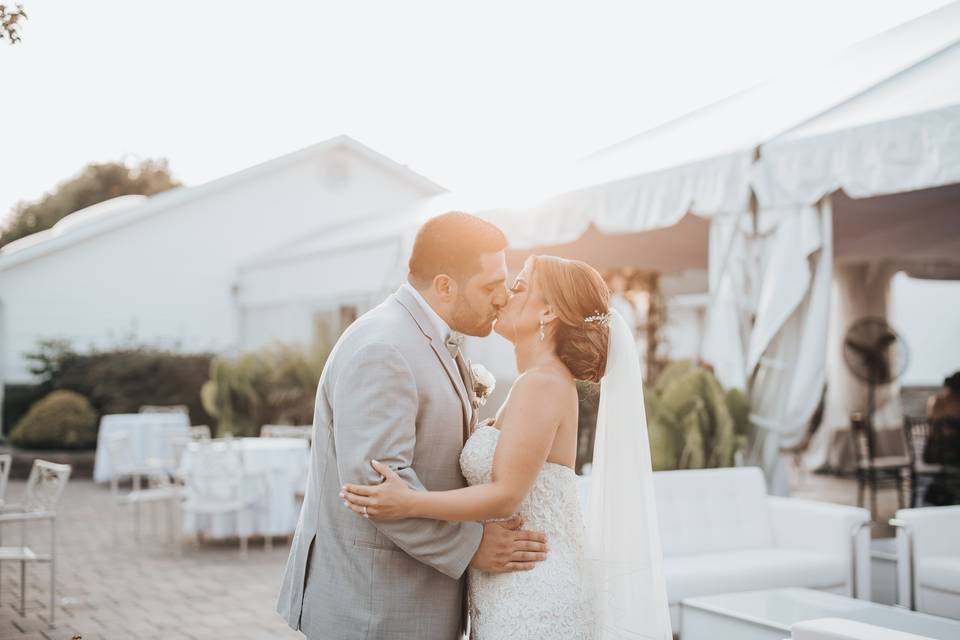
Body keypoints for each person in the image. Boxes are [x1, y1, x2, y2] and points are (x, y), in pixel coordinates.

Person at [343, 255, 672, 639]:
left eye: (519, 288)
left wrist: (409, 502)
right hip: (513, 587)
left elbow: (505, 496)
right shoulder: (534, 382)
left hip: (535, 600)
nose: (503, 297)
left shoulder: (544, 383)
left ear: (547, 312)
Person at [276, 212, 549, 640]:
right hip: (375, 608)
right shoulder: (385, 348)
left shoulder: (423, 335)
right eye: (490, 286)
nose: (502, 298)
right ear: (444, 286)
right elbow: (375, 486)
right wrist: (472, 545)